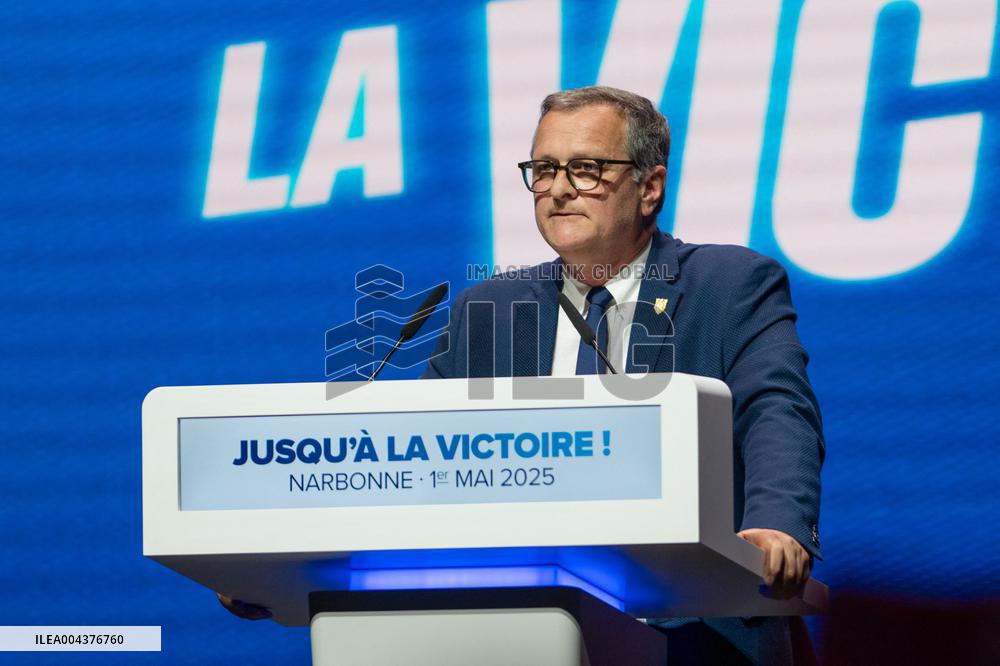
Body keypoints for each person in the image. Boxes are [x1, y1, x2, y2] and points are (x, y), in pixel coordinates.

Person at [420, 86, 824, 665]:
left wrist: (777, 525)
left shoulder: (729, 286)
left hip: (694, 631)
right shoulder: (488, 311)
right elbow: (412, 454)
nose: (557, 188)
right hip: (515, 628)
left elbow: (776, 408)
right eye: (543, 169)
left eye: (586, 169)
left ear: (650, 188)